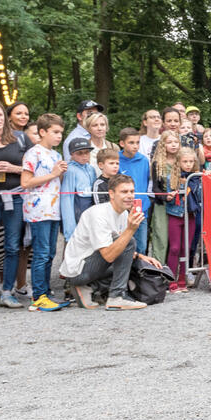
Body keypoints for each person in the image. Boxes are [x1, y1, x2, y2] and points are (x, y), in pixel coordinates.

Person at [59, 174, 160, 311]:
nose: (130, 196)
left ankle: (89, 288)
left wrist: (141, 256)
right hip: (78, 270)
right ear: (111, 194)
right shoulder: (99, 214)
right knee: (129, 241)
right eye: (124, 192)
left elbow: (121, 250)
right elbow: (108, 255)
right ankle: (116, 297)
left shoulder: (123, 213)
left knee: (133, 261)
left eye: (131, 191)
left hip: (92, 265)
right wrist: (130, 230)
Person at [20, 113, 70, 311]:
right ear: (42, 132)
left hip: (53, 210)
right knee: (41, 253)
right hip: (38, 210)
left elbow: (55, 180)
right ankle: (38, 296)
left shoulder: (56, 155)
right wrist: (53, 174)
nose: (59, 136)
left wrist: (61, 175)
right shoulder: (33, 153)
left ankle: (46, 292)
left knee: (50, 252)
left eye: (61, 133)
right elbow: (25, 182)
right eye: (55, 132)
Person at [0, 99, 29, 308]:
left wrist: (14, 168)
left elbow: (35, 168)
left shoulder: (20, 139)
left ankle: (7, 291)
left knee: (13, 246)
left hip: (15, 198)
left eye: (0, 115)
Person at [165, 148, 196, 292]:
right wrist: (170, 197)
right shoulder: (171, 177)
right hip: (175, 215)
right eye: (185, 161)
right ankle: (170, 279)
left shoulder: (197, 177)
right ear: (179, 162)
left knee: (186, 248)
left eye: (191, 161)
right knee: (175, 248)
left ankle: (183, 278)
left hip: (191, 216)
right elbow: (168, 199)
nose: (188, 164)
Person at [118, 127, 151, 254]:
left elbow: (145, 182)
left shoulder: (143, 160)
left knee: (141, 247)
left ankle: (139, 273)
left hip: (141, 210)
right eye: (131, 143)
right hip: (123, 211)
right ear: (122, 143)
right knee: (124, 246)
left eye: (137, 142)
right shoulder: (117, 160)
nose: (135, 146)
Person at [150, 131, 181, 263]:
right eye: (169, 142)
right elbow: (155, 188)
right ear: (163, 145)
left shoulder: (182, 160)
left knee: (175, 241)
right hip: (162, 205)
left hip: (179, 205)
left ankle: (174, 270)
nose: (173, 145)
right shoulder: (158, 163)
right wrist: (165, 197)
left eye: (175, 142)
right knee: (161, 237)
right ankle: (158, 269)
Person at [60, 138, 97, 242]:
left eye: (87, 153)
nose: (84, 156)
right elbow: (66, 198)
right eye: (80, 153)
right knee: (73, 247)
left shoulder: (91, 169)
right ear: (72, 154)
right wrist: (69, 230)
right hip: (77, 210)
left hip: (89, 212)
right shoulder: (70, 170)